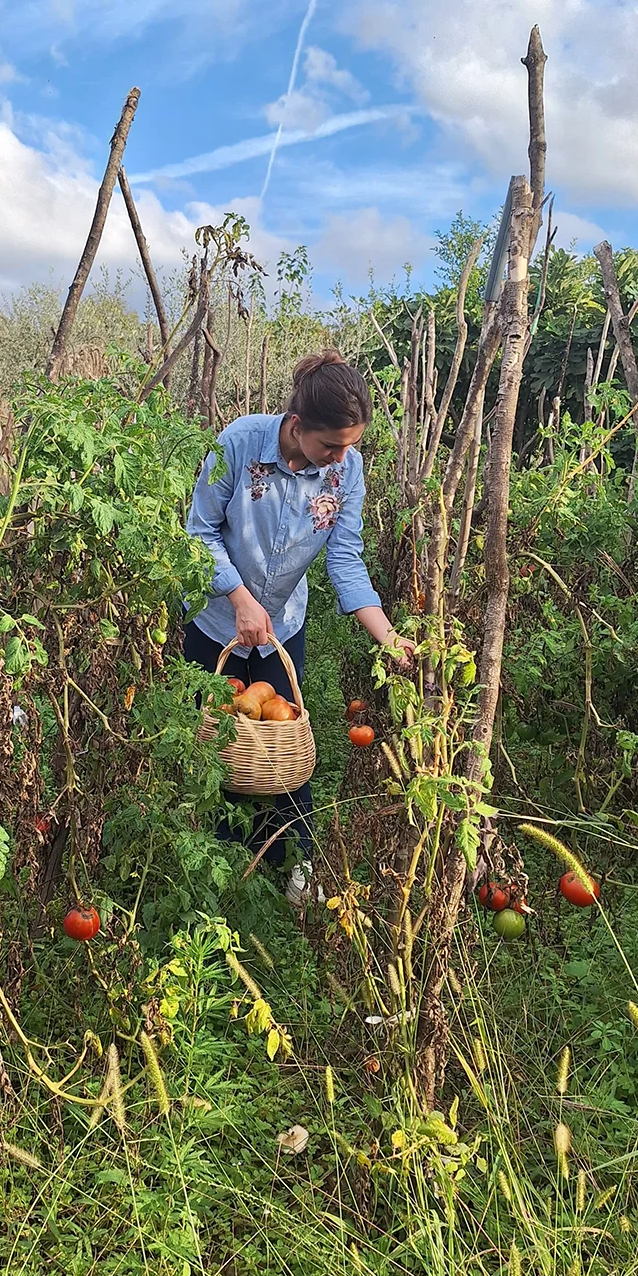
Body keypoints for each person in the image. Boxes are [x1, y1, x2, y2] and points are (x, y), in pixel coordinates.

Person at [184, 350, 411, 893]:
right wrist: (239, 597)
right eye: (330, 445)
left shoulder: (346, 470)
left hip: (282, 628)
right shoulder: (239, 444)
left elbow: (345, 558)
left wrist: (388, 638)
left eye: (349, 446)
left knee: (287, 750)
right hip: (215, 624)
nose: (339, 457)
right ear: (297, 424)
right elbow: (200, 531)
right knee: (217, 749)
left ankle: (294, 869)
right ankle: (220, 872)